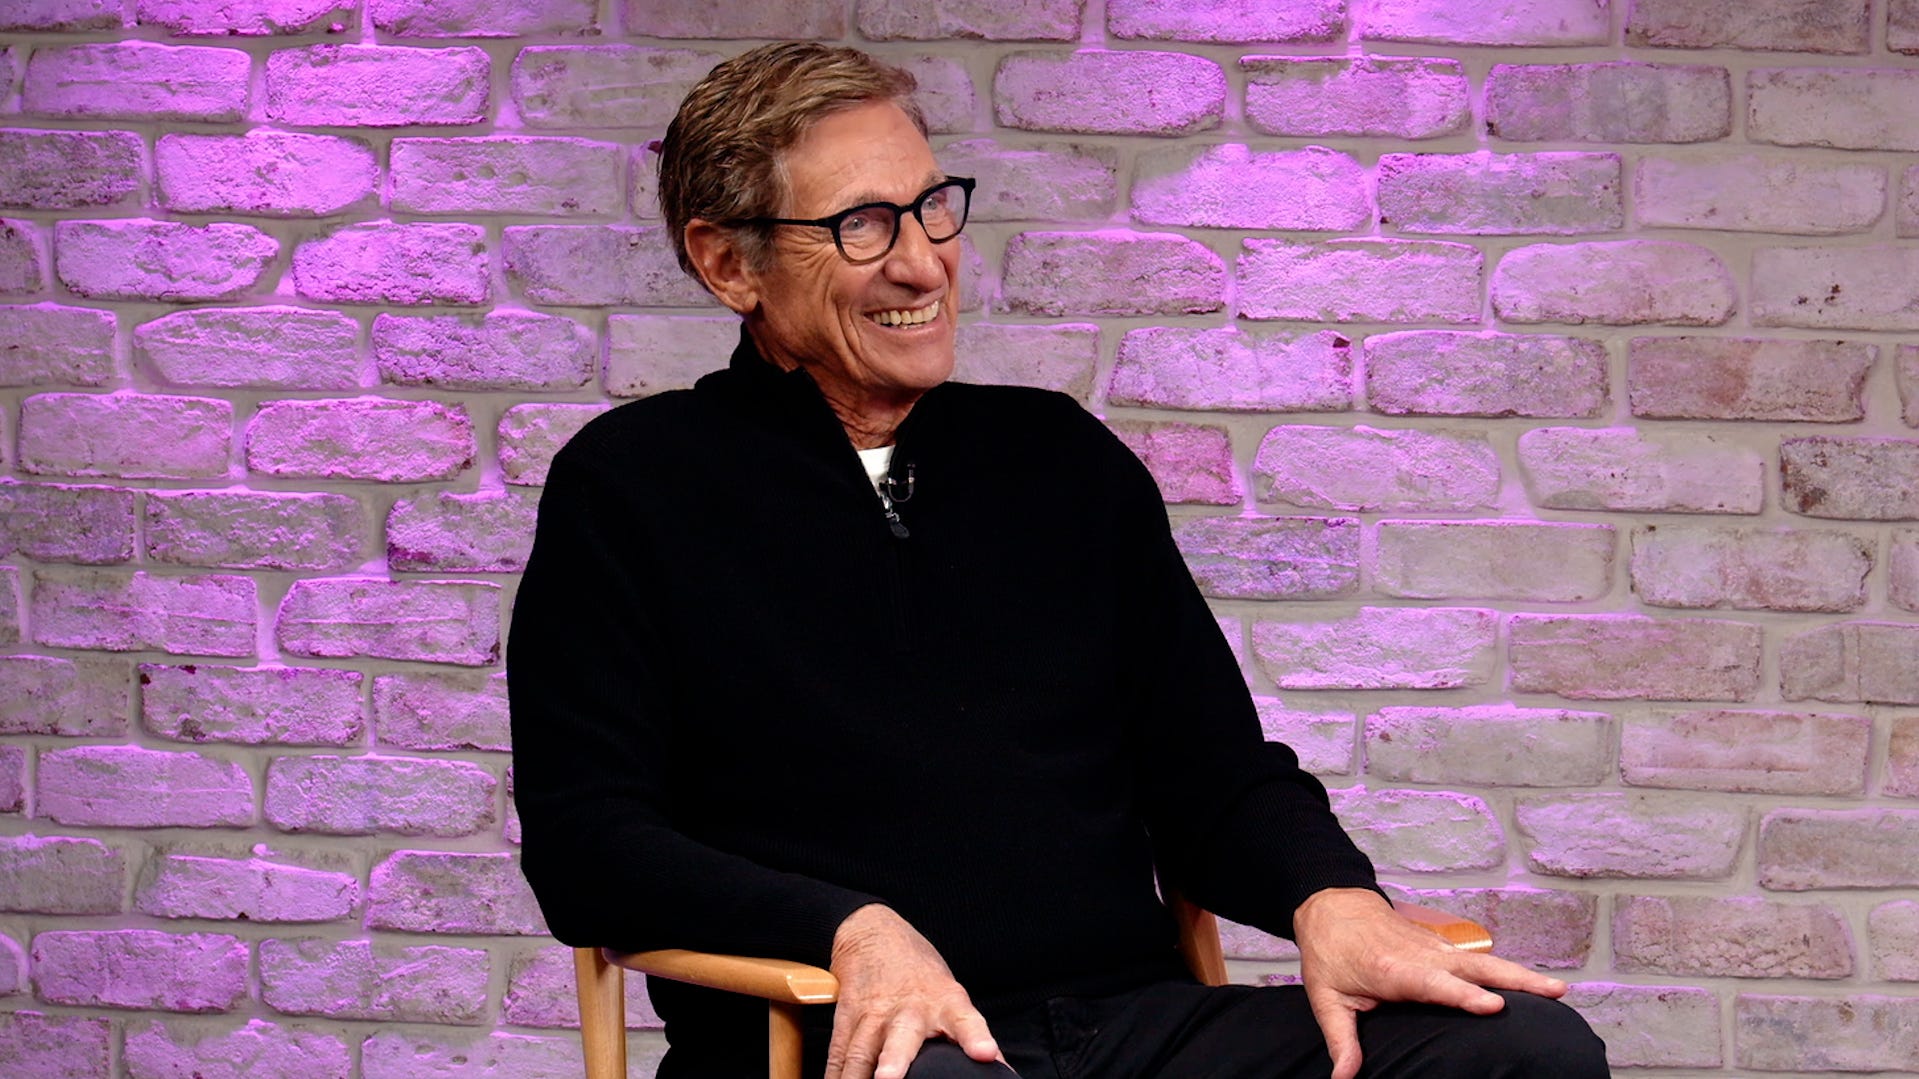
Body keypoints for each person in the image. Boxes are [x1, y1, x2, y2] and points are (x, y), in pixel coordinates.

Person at [508, 42, 1608, 1079]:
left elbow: (1213, 775)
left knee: (1524, 1050)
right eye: (860, 225)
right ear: (726, 263)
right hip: (849, 1042)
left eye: (931, 207)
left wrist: (1331, 897)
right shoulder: (631, 486)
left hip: (1126, 1023)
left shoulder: (1058, 458)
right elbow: (587, 845)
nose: (921, 261)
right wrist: (849, 928)